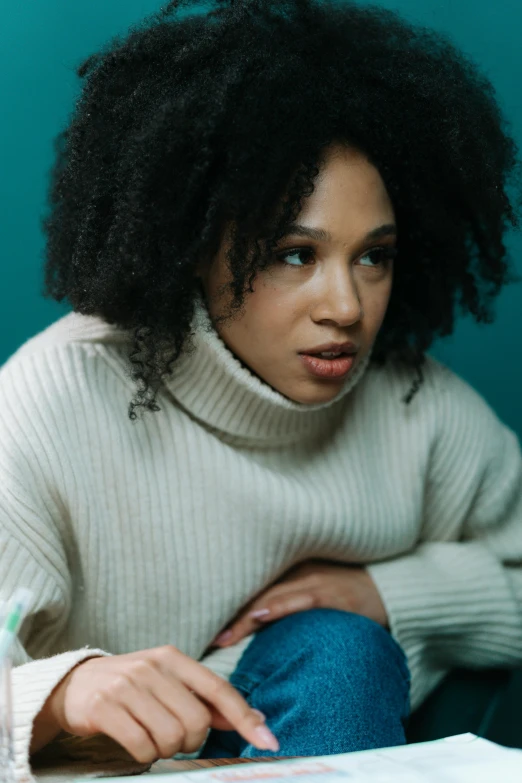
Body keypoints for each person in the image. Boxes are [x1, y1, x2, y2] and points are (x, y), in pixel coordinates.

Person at [2, 0, 521, 779]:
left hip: (310, 739)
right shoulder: (53, 398)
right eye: (292, 254)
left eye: (373, 256)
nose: (345, 306)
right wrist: (57, 694)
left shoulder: (419, 407)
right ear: (193, 245)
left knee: (338, 649)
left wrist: (386, 593)